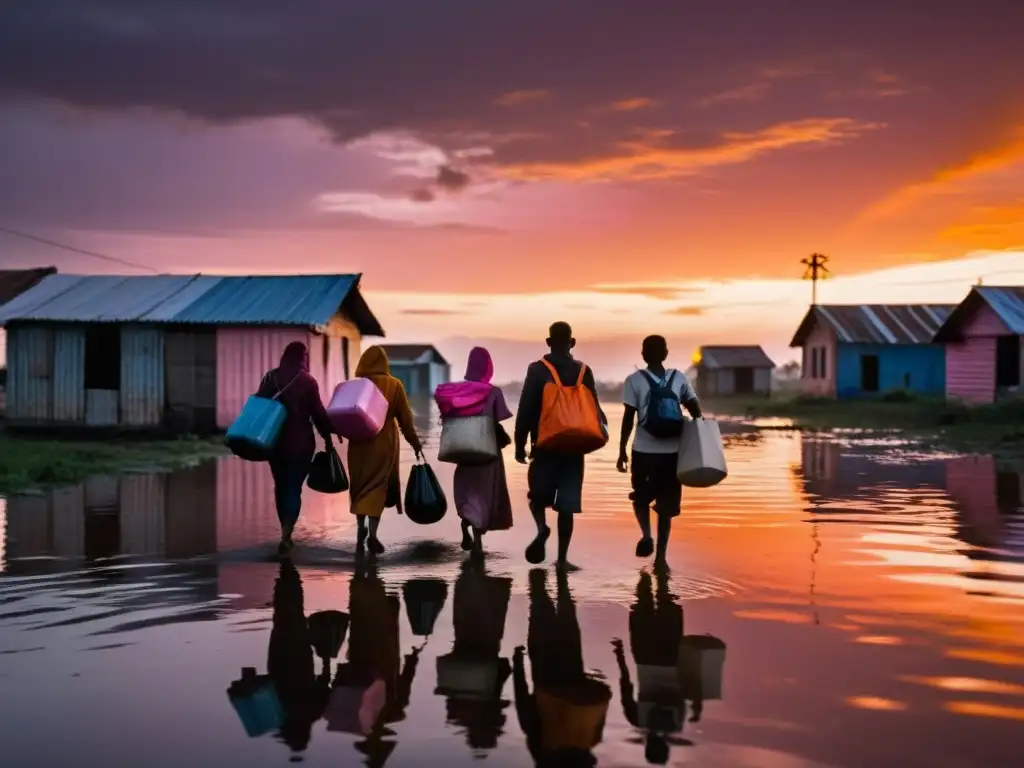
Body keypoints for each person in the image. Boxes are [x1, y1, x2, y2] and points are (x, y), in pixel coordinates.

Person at [514, 322, 606, 568]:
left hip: (544, 446)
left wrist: (519, 443)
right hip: (575, 449)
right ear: (572, 342)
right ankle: (563, 559)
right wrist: (601, 432)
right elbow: (594, 407)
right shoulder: (584, 370)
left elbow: (526, 408)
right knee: (567, 505)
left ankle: (543, 528)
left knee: (537, 497)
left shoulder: (537, 370)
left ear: (548, 341)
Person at [616, 335, 701, 568]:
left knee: (640, 497)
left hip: (643, 452)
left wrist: (622, 450)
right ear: (665, 354)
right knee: (666, 506)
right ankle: (661, 558)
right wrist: (701, 441)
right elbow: (695, 410)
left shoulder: (634, 380)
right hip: (672, 454)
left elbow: (628, 417)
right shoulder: (679, 378)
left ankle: (646, 534)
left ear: (643, 355)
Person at [513, 569, 611, 767]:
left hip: (573, 667)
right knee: (541, 610)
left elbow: (596, 716)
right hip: (546, 674)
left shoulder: (586, 744)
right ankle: (543, 580)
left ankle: (562, 580)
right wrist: (517, 665)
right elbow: (523, 703)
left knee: (567, 618)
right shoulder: (542, 746)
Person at [255, 341, 339, 557]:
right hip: (301, 445)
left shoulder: (271, 377)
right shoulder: (308, 381)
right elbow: (319, 414)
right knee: (293, 488)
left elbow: (258, 406)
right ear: (303, 357)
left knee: (281, 486)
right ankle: (286, 535)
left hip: (274, 443)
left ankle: (285, 531)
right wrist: (329, 436)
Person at [434, 346, 514, 555]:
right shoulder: (493, 392)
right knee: (483, 493)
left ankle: (466, 521)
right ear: (488, 368)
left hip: (462, 449)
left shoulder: (455, 391)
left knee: (467, 489)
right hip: (487, 451)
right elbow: (497, 420)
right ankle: (477, 541)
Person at [347, 345, 424, 555]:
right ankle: (372, 533)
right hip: (383, 443)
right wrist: (416, 444)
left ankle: (360, 529)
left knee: (360, 486)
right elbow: (405, 421)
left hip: (358, 445)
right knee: (377, 486)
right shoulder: (394, 385)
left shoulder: (356, 385)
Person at [612, 570, 693, 764]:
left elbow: (685, 689)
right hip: (645, 655)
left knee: (666, 601)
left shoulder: (676, 722)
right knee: (642, 602)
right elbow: (626, 686)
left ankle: (657, 571)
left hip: (671, 658)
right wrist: (619, 655)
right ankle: (645, 572)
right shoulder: (638, 720)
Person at [267, 562, 332, 756]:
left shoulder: (311, 712)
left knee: (289, 614)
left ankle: (287, 571)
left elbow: (324, 684)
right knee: (285, 615)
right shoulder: (279, 714)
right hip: (282, 652)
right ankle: (286, 572)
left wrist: (327, 661)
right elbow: (263, 687)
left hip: (294, 651)